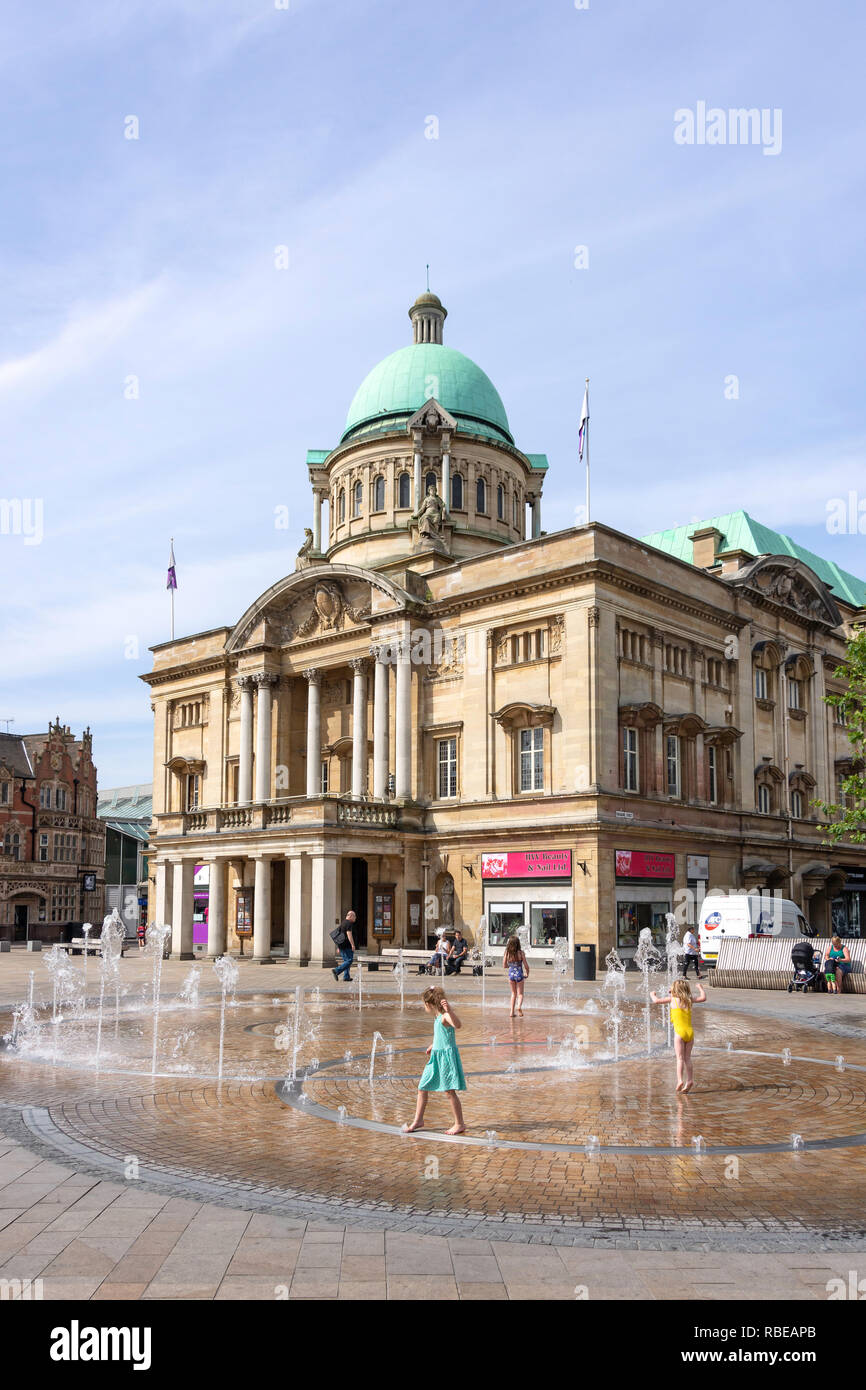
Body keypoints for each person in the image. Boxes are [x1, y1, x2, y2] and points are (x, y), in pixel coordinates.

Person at [402, 986, 466, 1135]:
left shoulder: (444, 1016)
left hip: (445, 1059)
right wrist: (434, 1045)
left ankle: (459, 1123)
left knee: (449, 1091)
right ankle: (418, 1120)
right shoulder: (437, 1018)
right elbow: (442, 1035)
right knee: (422, 1086)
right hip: (436, 1056)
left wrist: (449, 1011)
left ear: (429, 1004)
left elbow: (458, 1025)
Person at [651, 977, 707, 1093]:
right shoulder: (689, 999)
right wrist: (700, 988)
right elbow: (703, 998)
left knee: (679, 1059)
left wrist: (653, 994)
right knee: (687, 1058)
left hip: (679, 1034)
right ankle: (690, 1080)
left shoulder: (672, 999)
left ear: (674, 990)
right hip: (690, 1033)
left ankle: (680, 1080)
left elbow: (656, 1001)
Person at [503, 934, 529, 1017]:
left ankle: (511, 1012)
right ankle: (519, 1007)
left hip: (511, 974)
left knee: (513, 993)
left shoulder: (507, 953)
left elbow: (504, 965)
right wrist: (527, 973)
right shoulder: (521, 953)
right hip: (519, 974)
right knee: (520, 994)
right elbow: (526, 965)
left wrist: (510, 967)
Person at [331, 910, 357, 982]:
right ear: (351, 916)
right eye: (354, 916)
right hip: (347, 946)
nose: (355, 918)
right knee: (349, 960)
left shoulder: (343, 923)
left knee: (346, 961)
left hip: (342, 946)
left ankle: (346, 977)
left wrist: (338, 947)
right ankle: (336, 970)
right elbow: (349, 935)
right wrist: (353, 945)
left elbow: (339, 936)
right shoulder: (348, 923)